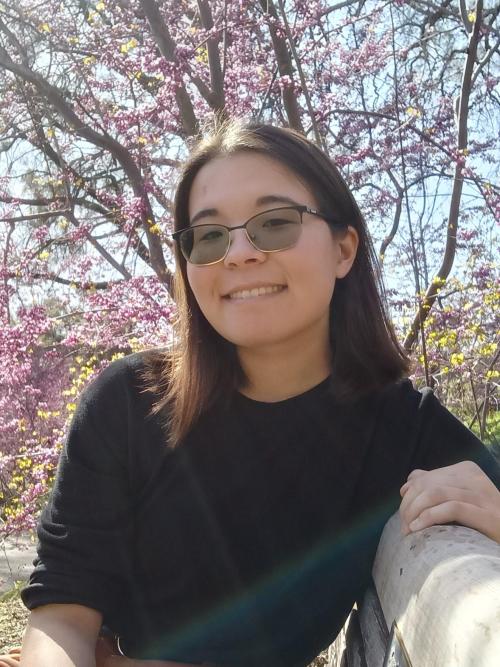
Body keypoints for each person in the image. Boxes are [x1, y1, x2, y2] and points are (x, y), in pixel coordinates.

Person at [3, 121, 500, 667]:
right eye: (209, 235)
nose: (237, 254)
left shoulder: (403, 427)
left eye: (276, 223)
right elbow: (61, 617)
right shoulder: (129, 404)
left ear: (343, 248)